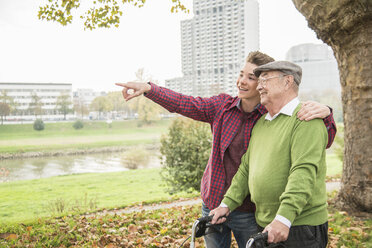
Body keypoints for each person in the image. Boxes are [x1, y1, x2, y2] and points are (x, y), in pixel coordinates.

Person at [116, 51, 336, 248]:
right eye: (242, 74)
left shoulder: (280, 115)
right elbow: (185, 103)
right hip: (216, 203)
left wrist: (327, 114)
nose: (244, 81)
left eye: (255, 78)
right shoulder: (227, 108)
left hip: (253, 212)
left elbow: (311, 154)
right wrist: (149, 89)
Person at [211, 61, 329, 247]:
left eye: (265, 79)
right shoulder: (261, 124)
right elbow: (245, 169)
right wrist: (226, 205)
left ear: (287, 82)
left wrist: (284, 218)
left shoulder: (306, 120)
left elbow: (303, 173)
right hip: (267, 225)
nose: (259, 86)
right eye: (259, 81)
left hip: (298, 225)